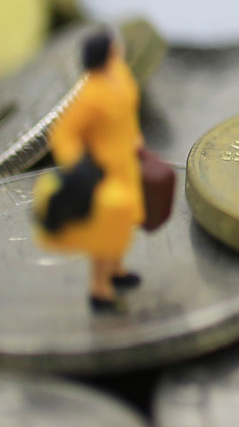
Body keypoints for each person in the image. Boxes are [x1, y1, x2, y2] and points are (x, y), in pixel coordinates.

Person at [35, 29, 145, 311]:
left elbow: (128, 112)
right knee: (106, 227)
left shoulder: (120, 74)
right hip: (104, 169)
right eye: (113, 46)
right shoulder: (91, 94)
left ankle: (117, 270)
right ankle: (100, 288)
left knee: (124, 221)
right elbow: (62, 134)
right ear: (106, 53)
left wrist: (136, 137)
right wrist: (79, 164)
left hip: (127, 161)